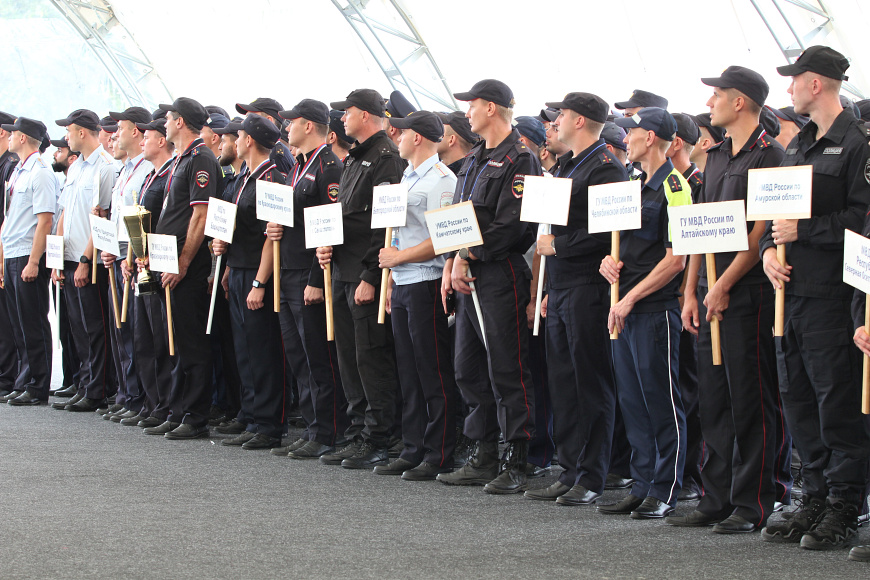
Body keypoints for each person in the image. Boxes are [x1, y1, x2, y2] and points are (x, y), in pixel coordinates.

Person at [760, 45, 870, 551]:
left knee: (836, 401)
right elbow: (775, 215)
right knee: (798, 399)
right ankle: (816, 494)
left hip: (832, 295)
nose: (789, 88)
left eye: (795, 79)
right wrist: (768, 251)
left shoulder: (857, 144)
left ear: (817, 83)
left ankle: (846, 502)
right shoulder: (798, 145)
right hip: (791, 293)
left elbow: (861, 222)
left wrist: (804, 232)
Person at [669, 66, 785, 534]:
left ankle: (753, 501)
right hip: (710, 292)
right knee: (714, 398)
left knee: (751, 398)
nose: (710, 102)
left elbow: (759, 233)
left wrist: (722, 287)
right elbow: (699, 228)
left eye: (717, 94)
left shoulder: (771, 156)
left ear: (740, 102)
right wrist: (692, 291)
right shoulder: (715, 156)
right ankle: (715, 496)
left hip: (747, 293)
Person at [436, 79, 541, 494]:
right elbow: (457, 217)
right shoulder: (475, 158)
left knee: (507, 367)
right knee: (468, 367)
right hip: (466, 272)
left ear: (492, 108)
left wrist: (467, 255)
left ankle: (517, 456)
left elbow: (514, 226)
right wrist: (451, 261)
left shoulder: (521, 158)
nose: (468, 112)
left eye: (473, 105)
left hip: (499, 272)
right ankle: (482, 452)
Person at [523, 92, 627, 505]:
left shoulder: (606, 169)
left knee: (591, 383)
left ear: (580, 120)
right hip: (563, 287)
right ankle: (570, 468)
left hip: (588, 287)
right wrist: (548, 288)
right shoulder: (568, 165)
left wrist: (559, 248)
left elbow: (608, 233)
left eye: (562, 115)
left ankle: (592, 475)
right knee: (563, 382)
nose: (555, 123)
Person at [597, 107, 691, 519]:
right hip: (626, 308)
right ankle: (642, 483)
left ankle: (665, 488)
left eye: (632, 132)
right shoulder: (632, 186)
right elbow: (624, 248)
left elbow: (676, 259)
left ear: (650, 137)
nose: (626, 138)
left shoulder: (675, 186)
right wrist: (607, 263)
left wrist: (630, 297)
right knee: (633, 403)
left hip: (653, 309)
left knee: (662, 402)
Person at [316, 88, 405, 468]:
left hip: (364, 273)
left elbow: (385, 225)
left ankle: (379, 436)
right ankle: (358, 431)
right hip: (342, 269)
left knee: (371, 358)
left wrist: (371, 275)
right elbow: (346, 213)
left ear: (365, 115)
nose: (342, 118)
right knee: (350, 359)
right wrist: (326, 245)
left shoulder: (386, 158)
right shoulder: (355, 157)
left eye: (348, 112)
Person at [375, 110, 458, 480]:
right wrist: (391, 277)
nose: (397, 136)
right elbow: (397, 232)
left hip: (427, 280)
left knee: (432, 370)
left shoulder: (442, 180)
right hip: (404, 281)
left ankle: (439, 452)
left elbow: (443, 238)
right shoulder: (406, 176)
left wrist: (399, 258)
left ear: (418, 137)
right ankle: (413, 448)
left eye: (403, 132)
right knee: (408, 371)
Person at [266, 99, 348, 459]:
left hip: (308, 271)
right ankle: (314, 424)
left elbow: (328, 228)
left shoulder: (328, 167)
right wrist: (275, 227)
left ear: (310, 126)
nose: (287, 128)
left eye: (292, 122)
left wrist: (317, 278)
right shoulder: (298, 166)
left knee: (318, 356)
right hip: (287, 269)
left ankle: (329, 430)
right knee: (298, 356)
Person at [143, 97, 219, 440]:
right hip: (166, 258)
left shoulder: (201, 158)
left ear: (180, 121)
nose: (164, 123)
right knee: (172, 340)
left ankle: (195, 415)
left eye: (169, 117)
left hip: (184, 262)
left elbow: (200, 216)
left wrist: (184, 261)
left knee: (190, 341)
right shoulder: (181, 158)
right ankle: (177, 409)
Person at [212, 115, 285, 450]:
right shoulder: (245, 176)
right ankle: (251, 414)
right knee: (244, 348)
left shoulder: (271, 178)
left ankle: (269, 422)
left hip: (259, 272)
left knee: (262, 349)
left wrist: (259, 281)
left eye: (239, 135)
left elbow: (272, 235)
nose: (234, 140)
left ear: (250, 140)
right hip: (240, 267)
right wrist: (227, 263)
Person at [51, 109, 116, 412]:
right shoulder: (76, 167)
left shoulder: (105, 166)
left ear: (82, 132)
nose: (66, 137)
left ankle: (98, 389)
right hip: (69, 257)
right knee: (77, 326)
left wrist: (85, 260)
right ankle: (84, 382)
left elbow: (101, 218)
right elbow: (65, 214)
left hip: (88, 261)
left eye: (69, 131)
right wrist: (57, 258)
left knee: (94, 327)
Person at [122, 114, 175, 429]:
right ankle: (152, 401)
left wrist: (151, 256)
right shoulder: (150, 176)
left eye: (148, 137)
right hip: (144, 263)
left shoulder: (169, 174)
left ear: (161, 141)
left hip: (160, 263)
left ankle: (166, 403)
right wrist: (134, 256)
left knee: (160, 339)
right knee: (143, 338)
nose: (142, 142)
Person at [0, 117, 57, 405]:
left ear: (23, 138)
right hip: (13, 252)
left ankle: (37, 384)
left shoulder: (40, 172)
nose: (8, 137)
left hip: (27, 253)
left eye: (13, 133)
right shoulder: (19, 171)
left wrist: (34, 261)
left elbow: (45, 220)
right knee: (18, 323)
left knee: (33, 321)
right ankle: (24, 380)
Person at [102, 107, 154, 423]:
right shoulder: (123, 170)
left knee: (136, 329)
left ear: (135, 131)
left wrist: (132, 255)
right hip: (119, 251)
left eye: (120, 128)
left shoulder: (147, 169)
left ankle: (138, 397)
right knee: (120, 329)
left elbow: (142, 218)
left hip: (135, 252)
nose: (115, 135)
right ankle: (126, 393)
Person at [235, 97, 295, 175]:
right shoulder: (252, 156)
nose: (244, 122)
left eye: (249, 117)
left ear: (269, 121)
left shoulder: (276, 157)